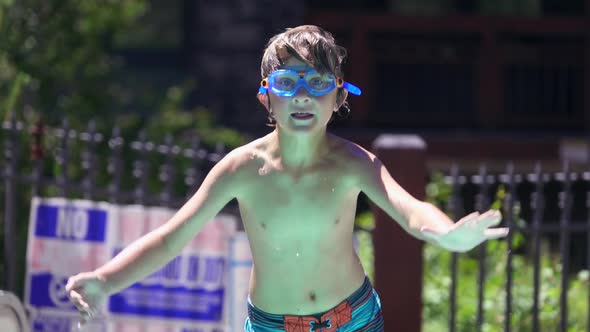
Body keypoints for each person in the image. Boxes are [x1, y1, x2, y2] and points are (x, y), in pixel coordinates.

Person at [66, 25, 509, 331]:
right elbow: (171, 238)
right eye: (287, 83)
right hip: (272, 324)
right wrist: (106, 279)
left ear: (338, 97)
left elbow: (408, 208)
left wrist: (446, 233)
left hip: (351, 318)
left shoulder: (353, 163)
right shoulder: (241, 169)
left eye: (316, 83)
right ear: (266, 97)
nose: (301, 95)